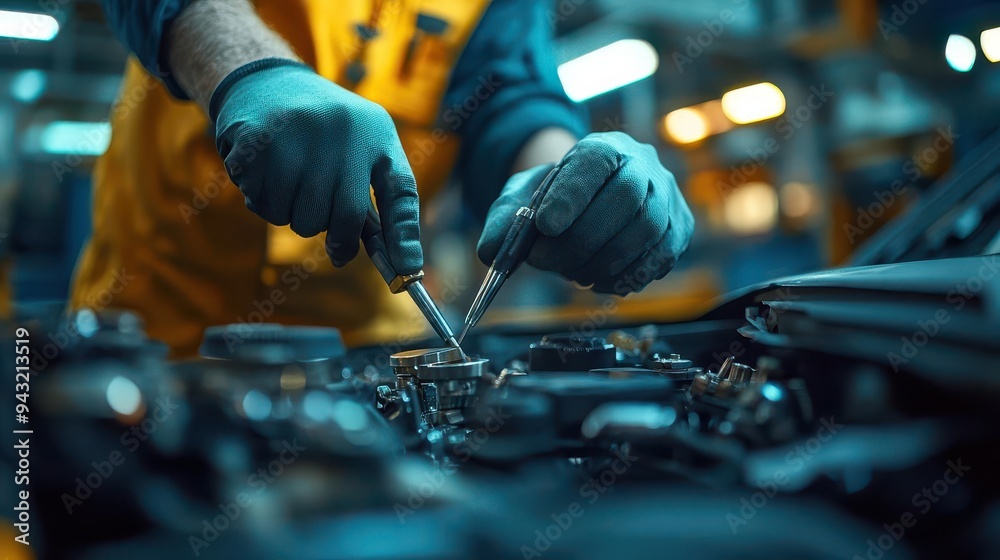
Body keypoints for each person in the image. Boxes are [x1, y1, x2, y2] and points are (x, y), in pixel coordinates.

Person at [71, 0, 694, 357]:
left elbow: (506, 87)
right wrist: (249, 71)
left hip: (369, 348)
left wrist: (564, 172)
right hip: (158, 325)